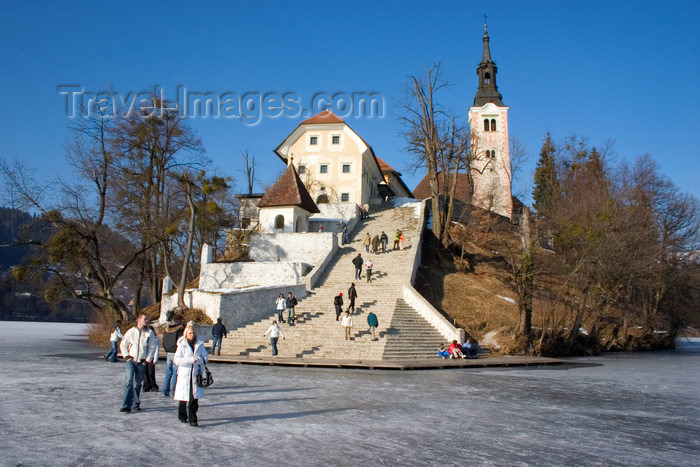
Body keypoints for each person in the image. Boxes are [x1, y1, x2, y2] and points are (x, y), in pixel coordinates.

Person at [119, 313, 157, 413]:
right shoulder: (131, 332)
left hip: (142, 362)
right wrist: (126, 356)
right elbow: (123, 344)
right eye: (145, 319)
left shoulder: (149, 333)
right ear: (139, 320)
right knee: (129, 382)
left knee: (137, 384)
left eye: (147, 319)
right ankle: (126, 405)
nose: (147, 321)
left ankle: (135, 404)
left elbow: (152, 347)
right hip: (131, 361)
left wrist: (147, 360)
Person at [174, 323, 209, 427]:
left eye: (193, 333)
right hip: (185, 374)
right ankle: (182, 415)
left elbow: (205, 357)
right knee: (184, 397)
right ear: (186, 334)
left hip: (196, 374)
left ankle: (193, 418)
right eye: (190, 333)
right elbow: (177, 360)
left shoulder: (199, 344)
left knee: (194, 397)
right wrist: (191, 360)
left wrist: (199, 360)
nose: (192, 335)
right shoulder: (182, 344)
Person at [161, 314, 184, 397]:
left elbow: (164, 341)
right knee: (175, 373)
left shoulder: (167, 329)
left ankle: (164, 390)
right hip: (175, 352)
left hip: (168, 352)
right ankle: (173, 391)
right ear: (180, 321)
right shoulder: (179, 330)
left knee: (168, 373)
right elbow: (180, 341)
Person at [142, 326, 160, 392]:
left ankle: (153, 386)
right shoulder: (145, 338)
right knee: (145, 373)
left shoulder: (155, 338)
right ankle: (146, 386)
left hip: (151, 357)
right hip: (144, 357)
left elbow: (156, 349)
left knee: (151, 372)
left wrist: (155, 359)